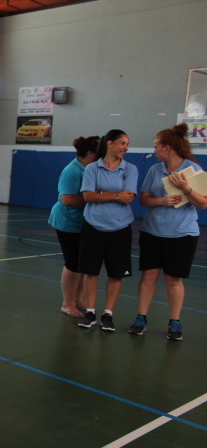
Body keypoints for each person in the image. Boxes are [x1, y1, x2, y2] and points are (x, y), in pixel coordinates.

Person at [128, 123, 207, 340]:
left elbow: (202, 204)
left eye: (156, 146)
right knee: (149, 276)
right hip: (152, 232)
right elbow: (144, 199)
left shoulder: (193, 170)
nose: (154, 150)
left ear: (167, 148)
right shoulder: (155, 170)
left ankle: (175, 322)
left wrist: (186, 189)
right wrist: (162, 201)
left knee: (173, 279)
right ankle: (141, 318)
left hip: (182, 234)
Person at [77, 130, 138, 331]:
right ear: (110, 143)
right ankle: (90, 312)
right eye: (122, 143)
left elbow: (128, 197)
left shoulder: (130, 169)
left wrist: (102, 192)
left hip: (120, 228)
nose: (126, 148)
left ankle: (108, 315)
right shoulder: (92, 168)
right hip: (93, 226)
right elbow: (88, 196)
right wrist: (117, 195)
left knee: (116, 274)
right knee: (90, 271)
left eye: (127, 144)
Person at [48, 136, 99, 317]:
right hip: (68, 221)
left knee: (82, 262)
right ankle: (67, 303)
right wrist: (94, 199)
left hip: (84, 222)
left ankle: (78, 298)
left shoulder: (93, 169)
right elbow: (67, 199)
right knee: (73, 263)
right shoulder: (73, 171)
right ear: (90, 153)